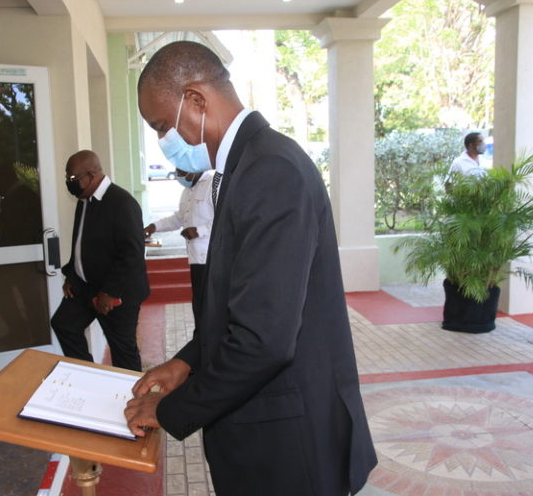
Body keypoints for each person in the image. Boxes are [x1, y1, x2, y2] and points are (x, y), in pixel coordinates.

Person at [124, 41, 377, 496]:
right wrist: (185, 363)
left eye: (162, 126)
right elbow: (239, 304)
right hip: (271, 429)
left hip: (289, 444)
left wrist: (169, 410)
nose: (164, 142)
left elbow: (263, 340)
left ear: (195, 100)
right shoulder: (246, 165)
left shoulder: (270, 169)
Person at [51, 150, 150, 371]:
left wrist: (110, 292)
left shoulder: (122, 203)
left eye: (73, 178)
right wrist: (71, 275)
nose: (69, 183)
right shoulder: (85, 200)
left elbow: (132, 254)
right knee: (64, 324)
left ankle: (132, 390)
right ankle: (89, 376)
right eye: (67, 178)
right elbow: (81, 244)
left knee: (122, 350)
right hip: (86, 287)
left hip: (117, 292)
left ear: (91, 175)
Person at [144, 169, 214, 325]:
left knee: (211, 306)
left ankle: (209, 337)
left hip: (212, 259)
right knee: (199, 305)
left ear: (192, 168)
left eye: (181, 172)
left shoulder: (212, 184)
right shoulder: (187, 191)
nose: (178, 176)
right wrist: (154, 227)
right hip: (196, 260)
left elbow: (223, 218)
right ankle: (201, 336)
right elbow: (178, 219)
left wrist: (199, 230)